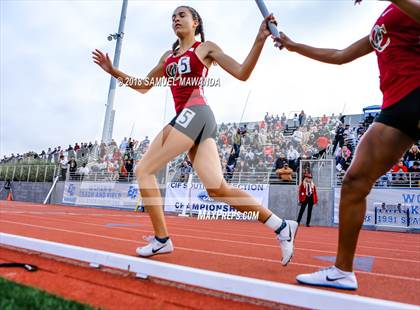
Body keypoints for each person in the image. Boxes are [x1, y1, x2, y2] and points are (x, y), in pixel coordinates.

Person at [92, 6, 298, 265]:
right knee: (217, 189)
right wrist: (114, 72)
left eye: (182, 15)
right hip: (193, 120)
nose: (176, 19)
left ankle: (162, 239)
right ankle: (281, 226)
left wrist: (259, 39)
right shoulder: (168, 56)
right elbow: (144, 86)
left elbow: (243, 72)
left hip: (196, 112)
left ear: (196, 22)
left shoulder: (204, 48)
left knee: (144, 170)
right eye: (173, 17)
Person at [277, 0, 420, 289]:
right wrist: (294, 46)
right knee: (354, 182)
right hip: (395, 107)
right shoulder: (386, 17)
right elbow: (340, 55)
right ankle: (343, 270)